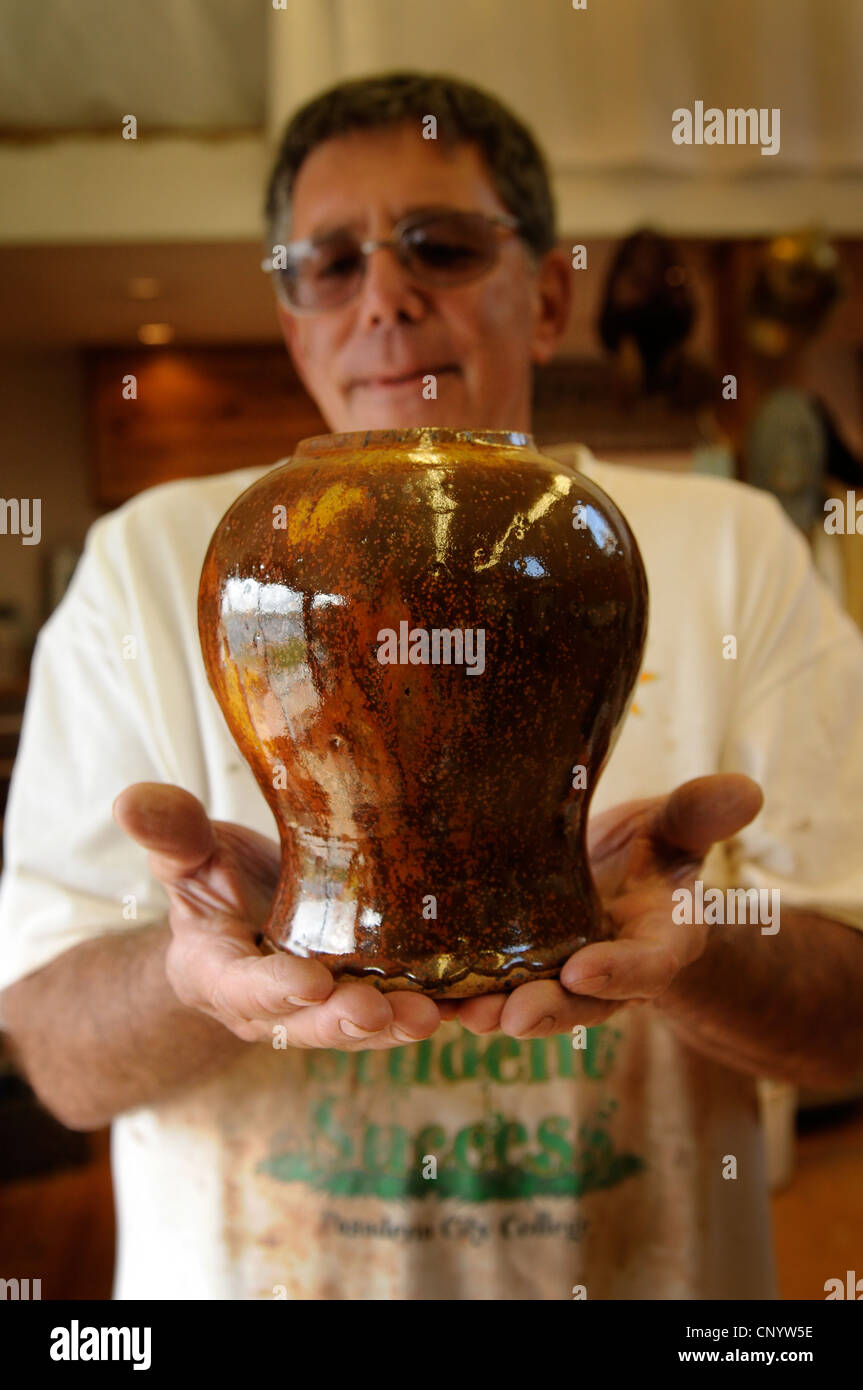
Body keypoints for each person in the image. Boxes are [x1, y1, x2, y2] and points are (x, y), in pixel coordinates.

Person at [1, 71, 862, 1302]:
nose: (385, 299)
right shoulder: (154, 557)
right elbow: (58, 1056)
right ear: (294, 319)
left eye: (439, 247)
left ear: (549, 292)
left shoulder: (726, 549)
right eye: (327, 263)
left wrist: (699, 954)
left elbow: (848, 1023)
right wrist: (186, 975)